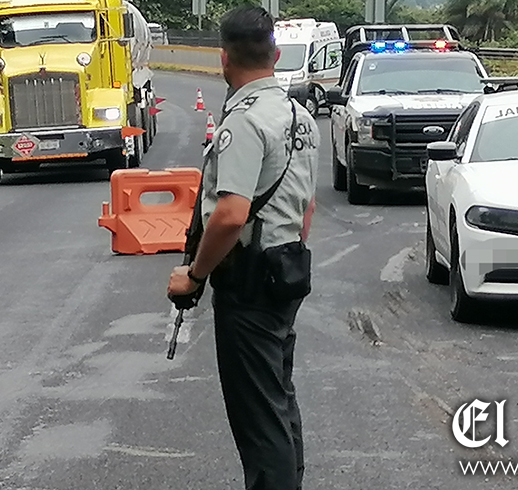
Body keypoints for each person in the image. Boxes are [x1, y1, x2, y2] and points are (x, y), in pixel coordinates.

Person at [166, 6, 319, 490]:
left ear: (224, 59)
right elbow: (307, 207)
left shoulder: (245, 123)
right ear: (275, 55)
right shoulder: (300, 117)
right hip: (287, 269)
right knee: (278, 400)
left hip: (249, 281)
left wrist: (195, 274)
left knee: (259, 418)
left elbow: (231, 214)